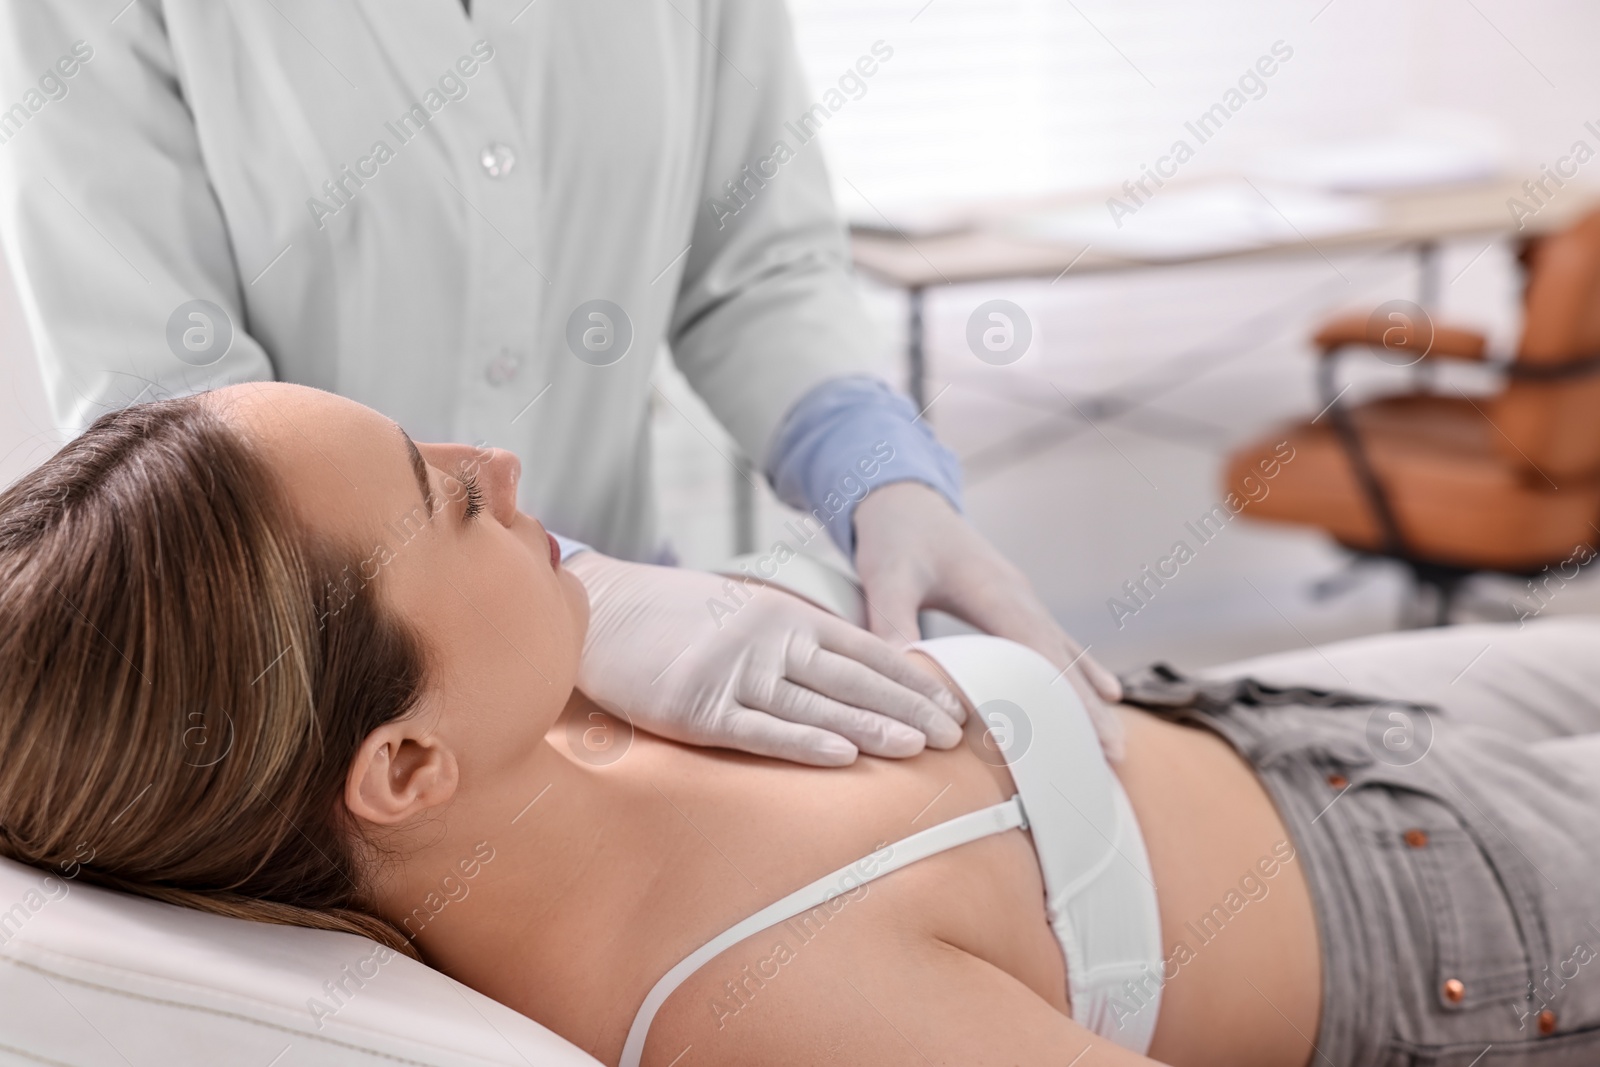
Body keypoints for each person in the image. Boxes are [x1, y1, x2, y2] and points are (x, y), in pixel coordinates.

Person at [3, 381, 1598, 1067]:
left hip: (1286, 733)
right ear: (403, 763)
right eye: (442, 498)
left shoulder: (504, 722)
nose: (493, 459)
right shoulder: (753, 1003)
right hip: (1435, 903)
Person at [0, 0, 1120, 768]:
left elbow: (753, 265)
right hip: (328, 707)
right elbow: (174, 420)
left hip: (652, 654)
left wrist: (881, 476)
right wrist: (584, 600)